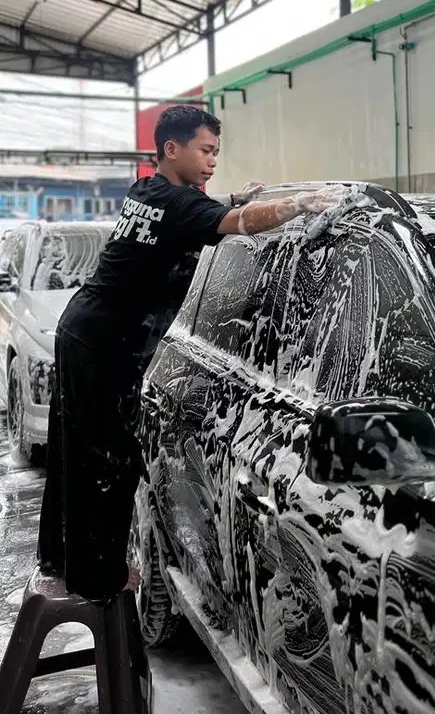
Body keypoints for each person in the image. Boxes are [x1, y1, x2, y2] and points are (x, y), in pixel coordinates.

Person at [37, 105, 343, 604]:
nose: (213, 161)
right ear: (172, 148)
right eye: (205, 151)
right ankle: (98, 577)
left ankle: (59, 556)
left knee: (73, 447)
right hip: (107, 341)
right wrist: (297, 204)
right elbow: (239, 223)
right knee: (109, 458)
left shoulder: (148, 190)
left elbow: (202, 213)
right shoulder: (182, 205)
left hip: (84, 327)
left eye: (217, 153)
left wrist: (228, 201)